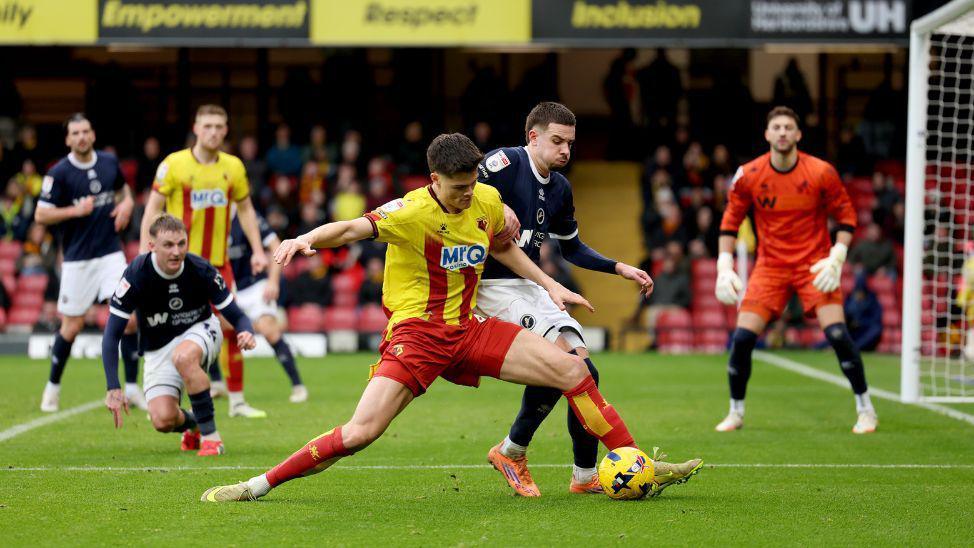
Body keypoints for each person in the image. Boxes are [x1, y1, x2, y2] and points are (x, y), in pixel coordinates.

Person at [201, 133, 698, 502]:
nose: (468, 194)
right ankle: (257, 485)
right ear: (433, 179)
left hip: (469, 329)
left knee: (575, 371)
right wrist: (306, 238)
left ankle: (638, 464)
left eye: (472, 184)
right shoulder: (410, 211)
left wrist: (549, 283)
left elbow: (504, 246)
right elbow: (353, 227)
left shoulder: (485, 197)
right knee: (359, 434)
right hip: (416, 337)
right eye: (458, 188)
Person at [475, 102, 699, 497]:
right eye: (557, 141)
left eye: (570, 143)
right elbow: (462, 189)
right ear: (533, 137)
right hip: (492, 288)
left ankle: (575, 473)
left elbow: (571, 248)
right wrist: (497, 205)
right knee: (568, 364)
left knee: (583, 369)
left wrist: (619, 268)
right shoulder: (504, 164)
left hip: (531, 287)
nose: (565, 150)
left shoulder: (560, 188)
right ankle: (631, 459)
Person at [714, 106, 878, 434]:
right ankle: (736, 412)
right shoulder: (749, 174)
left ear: (798, 134)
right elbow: (731, 221)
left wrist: (837, 256)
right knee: (743, 338)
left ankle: (866, 408)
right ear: (767, 134)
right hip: (770, 267)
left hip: (814, 266)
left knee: (837, 335)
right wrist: (723, 265)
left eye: (789, 126)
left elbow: (846, 217)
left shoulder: (821, 172)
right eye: (777, 127)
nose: (783, 132)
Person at [141, 104, 269, 418]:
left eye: (218, 127)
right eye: (207, 126)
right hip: (176, 266)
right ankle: (166, 397)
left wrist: (258, 249)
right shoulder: (174, 165)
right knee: (172, 330)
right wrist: (148, 250)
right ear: (196, 128)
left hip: (216, 265)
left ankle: (237, 401)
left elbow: (247, 210)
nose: (213, 131)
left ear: (225, 131)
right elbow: (153, 208)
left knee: (230, 326)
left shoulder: (234, 167)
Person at [102, 214, 256, 456]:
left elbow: (237, 315)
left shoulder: (200, 269)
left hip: (202, 330)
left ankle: (211, 438)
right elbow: (112, 334)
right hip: (157, 348)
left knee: (184, 357)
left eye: (181, 243)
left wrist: (246, 331)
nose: (176, 251)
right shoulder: (136, 274)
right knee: (163, 420)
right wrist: (113, 386)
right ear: (152, 246)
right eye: (168, 245)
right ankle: (194, 423)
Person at [36, 114, 142, 413]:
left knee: (130, 318)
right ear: (68, 139)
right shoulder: (59, 173)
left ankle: (132, 389)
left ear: (93, 134)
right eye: (75, 133)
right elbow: (41, 215)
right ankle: (52, 388)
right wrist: (74, 211)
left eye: (86, 131)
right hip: (77, 259)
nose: (81, 137)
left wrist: (127, 205)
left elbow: (124, 192)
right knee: (72, 326)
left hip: (110, 253)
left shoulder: (109, 162)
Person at [220, 210, 307, 402]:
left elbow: (275, 245)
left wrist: (273, 281)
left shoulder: (248, 216)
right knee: (215, 330)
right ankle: (217, 383)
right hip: (227, 288)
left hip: (254, 285)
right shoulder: (212, 215)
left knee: (269, 330)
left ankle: (298, 385)